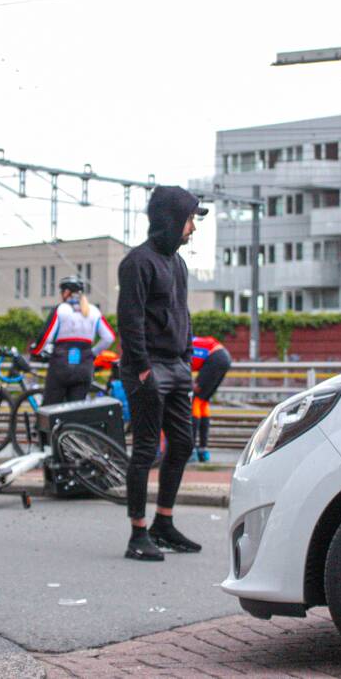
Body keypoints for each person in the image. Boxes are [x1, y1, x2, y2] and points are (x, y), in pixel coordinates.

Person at [117, 185, 205, 561]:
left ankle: (163, 524)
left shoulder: (178, 263)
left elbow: (181, 313)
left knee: (183, 444)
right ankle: (137, 534)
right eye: (189, 220)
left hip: (176, 365)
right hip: (147, 367)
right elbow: (130, 321)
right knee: (146, 451)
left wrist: (185, 357)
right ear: (171, 220)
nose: (192, 229)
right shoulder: (138, 262)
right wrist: (141, 372)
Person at [30, 275, 116, 406]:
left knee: (50, 410)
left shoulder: (61, 309)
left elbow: (45, 337)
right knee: (75, 412)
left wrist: (35, 351)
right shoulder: (93, 311)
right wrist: (92, 353)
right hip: (84, 368)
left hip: (60, 367)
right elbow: (109, 337)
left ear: (66, 292)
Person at [190, 335, 232, 463]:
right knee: (202, 403)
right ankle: (202, 449)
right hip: (224, 356)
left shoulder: (177, 346)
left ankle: (190, 450)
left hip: (215, 357)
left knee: (195, 401)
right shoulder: (186, 339)